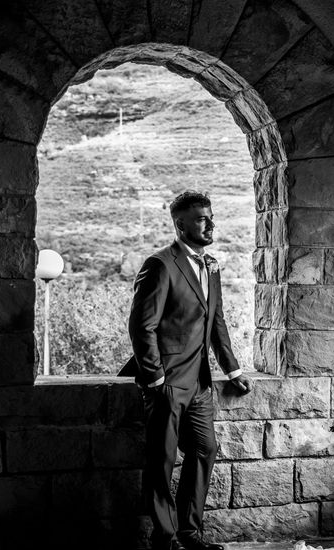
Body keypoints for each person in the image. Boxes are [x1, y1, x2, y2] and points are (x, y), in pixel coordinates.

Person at [125, 190, 252, 550]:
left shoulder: (211, 266)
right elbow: (141, 326)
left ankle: (190, 534)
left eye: (211, 216)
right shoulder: (160, 264)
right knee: (161, 464)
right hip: (166, 383)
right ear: (180, 224)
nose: (211, 223)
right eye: (202, 218)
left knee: (205, 449)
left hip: (199, 384)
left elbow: (217, 323)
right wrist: (156, 378)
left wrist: (232, 371)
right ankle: (166, 541)